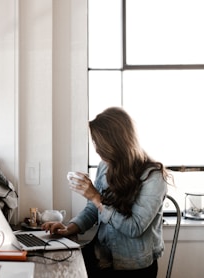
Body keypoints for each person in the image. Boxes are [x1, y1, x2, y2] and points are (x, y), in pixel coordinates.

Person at [42, 107, 170, 277]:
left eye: (99, 143)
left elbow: (134, 228)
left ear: (118, 143)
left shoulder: (153, 177)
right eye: (95, 143)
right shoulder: (105, 166)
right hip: (102, 255)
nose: (97, 150)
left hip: (133, 266)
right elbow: (93, 210)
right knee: (56, 267)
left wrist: (96, 197)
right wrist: (69, 228)